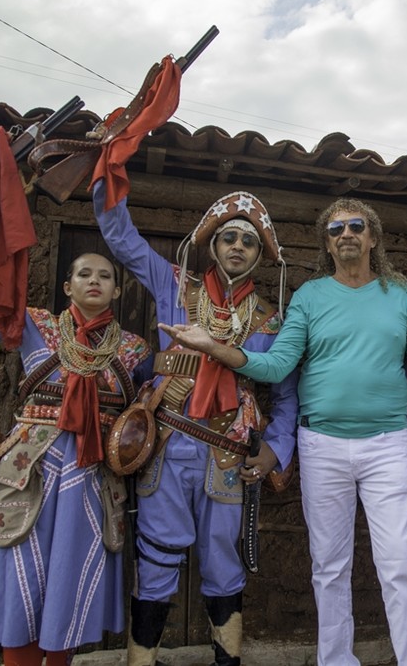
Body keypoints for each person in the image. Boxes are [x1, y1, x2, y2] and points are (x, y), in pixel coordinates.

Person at [158, 197, 407, 666]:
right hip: (322, 445)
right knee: (329, 566)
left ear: (372, 238)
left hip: (388, 446)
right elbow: (277, 366)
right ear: (327, 243)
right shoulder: (310, 296)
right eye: (336, 229)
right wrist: (216, 347)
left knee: (400, 563)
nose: (346, 234)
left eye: (356, 226)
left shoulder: (399, 294)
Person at [0, 192, 152, 665]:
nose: (94, 280)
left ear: (117, 291)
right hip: (30, 472)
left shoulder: (135, 350)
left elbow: (160, 401)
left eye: (104, 276)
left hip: (92, 479)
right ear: (68, 286)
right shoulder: (34, 326)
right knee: (21, 575)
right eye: (84, 274)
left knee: (70, 579)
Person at [92, 179, 298, 666]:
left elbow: (287, 393)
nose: (238, 246)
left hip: (228, 453)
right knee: (156, 556)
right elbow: (121, 237)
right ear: (213, 244)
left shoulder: (270, 321)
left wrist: (277, 448)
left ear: (259, 256)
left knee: (224, 563)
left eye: (249, 242)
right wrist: (108, 174)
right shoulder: (174, 284)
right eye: (229, 237)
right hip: (167, 444)